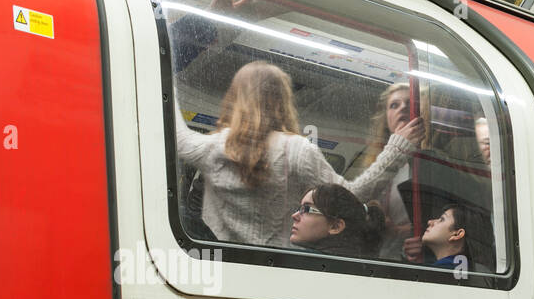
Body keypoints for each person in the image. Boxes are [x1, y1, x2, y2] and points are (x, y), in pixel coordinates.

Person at [173, 60, 424, 247]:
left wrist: (161, 71)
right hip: (279, 267)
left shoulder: (213, 147)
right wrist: (396, 150)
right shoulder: (296, 151)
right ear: (283, 100)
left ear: (236, 98)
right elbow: (351, 196)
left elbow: (179, 138)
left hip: (221, 263)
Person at [358, 81, 418, 260]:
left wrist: (401, 231)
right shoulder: (377, 162)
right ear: (386, 117)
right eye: (394, 105)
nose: (403, 108)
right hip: (376, 255)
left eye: (410, 103)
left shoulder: (427, 161)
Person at [289, 184, 386, 258]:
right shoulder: (355, 262)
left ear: (336, 227)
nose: (294, 216)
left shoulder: (302, 263)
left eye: (306, 209)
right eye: (299, 209)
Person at [402, 203, 476, 273]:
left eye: (442, 219)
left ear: (457, 234)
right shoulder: (463, 270)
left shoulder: (440, 273)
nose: (430, 222)